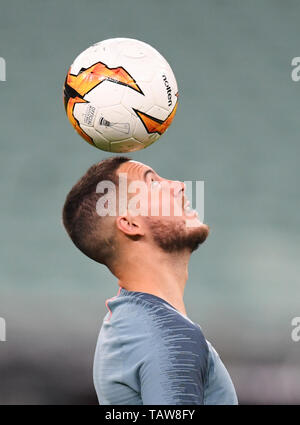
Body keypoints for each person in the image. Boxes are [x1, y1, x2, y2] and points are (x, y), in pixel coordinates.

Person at [62, 156, 238, 405]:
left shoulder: (127, 324)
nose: (179, 185)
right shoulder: (170, 336)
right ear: (130, 223)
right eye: (154, 184)